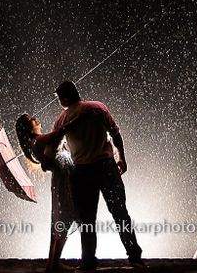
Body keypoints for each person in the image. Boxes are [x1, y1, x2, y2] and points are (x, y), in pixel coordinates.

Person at [52, 80, 145, 271]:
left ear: (65, 98)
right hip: (106, 167)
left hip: (81, 172)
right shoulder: (97, 108)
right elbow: (115, 134)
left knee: (86, 220)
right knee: (120, 213)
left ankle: (88, 261)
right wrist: (122, 158)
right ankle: (134, 256)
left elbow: (56, 148)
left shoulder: (61, 119)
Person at [15, 113, 77, 273]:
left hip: (61, 182)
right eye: (31, 119)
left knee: (59, 221)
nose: (36, 119)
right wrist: (75, 118)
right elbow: (60, 133)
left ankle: (52, 263)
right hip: (64, 183)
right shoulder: (39, 140)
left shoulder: (36, 143)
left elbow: (49, 161)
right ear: (29, 127)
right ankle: (55, 263)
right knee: (64, 220)